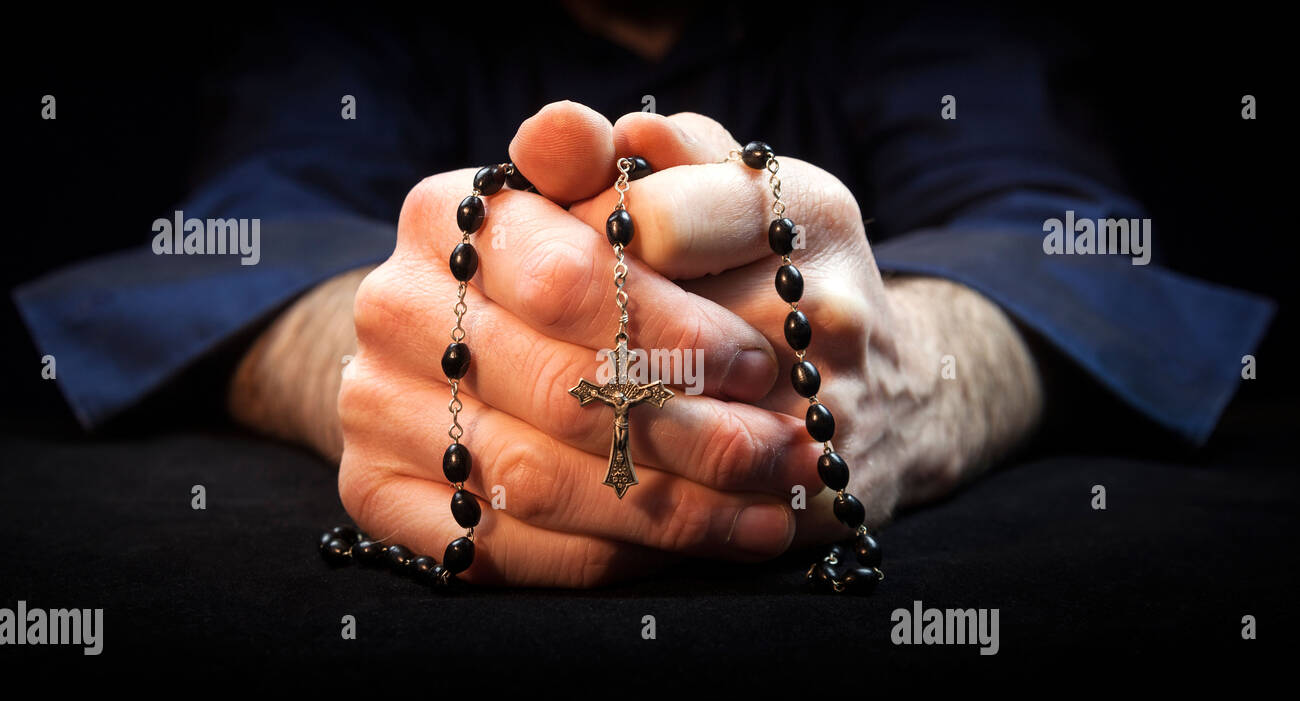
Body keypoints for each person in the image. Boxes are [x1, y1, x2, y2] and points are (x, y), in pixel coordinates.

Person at [13, 5, 1273, 586]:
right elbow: (237, 236)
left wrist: (917, 364)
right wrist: (396, 344)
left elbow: (1062, 232)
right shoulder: (365, 26)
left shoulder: (923, 21)